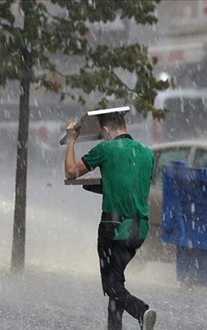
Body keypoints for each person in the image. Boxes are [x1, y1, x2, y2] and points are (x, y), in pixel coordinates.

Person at [64, 111, 157, 330]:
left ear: (105, 130)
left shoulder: (105, 149)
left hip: (113, 228)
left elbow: (70, 172)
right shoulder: (147, 154)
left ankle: (141, 311)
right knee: (117, 281)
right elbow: (130, 186)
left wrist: (71, 141)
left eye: (102, 134)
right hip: (139, 229)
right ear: (124, 125)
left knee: (111, 285)